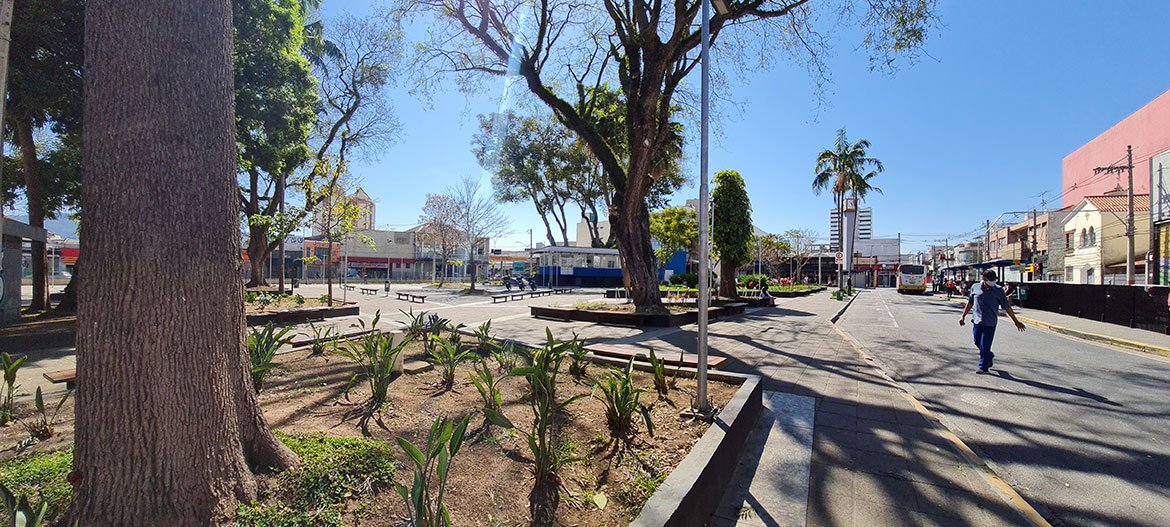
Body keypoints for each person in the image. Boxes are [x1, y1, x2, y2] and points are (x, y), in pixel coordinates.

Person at [960, 270, 1026, 374]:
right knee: (977, 342)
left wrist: (1016, 322)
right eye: (990, 280)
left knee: (985, 345)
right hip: (977, 321)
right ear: (984, 279)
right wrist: (963, 316)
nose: (993, 282)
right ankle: (989, 355)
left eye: (994, 280)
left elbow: (1007, 307)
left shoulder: (999, 291)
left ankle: (983, 366)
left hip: (990, 322)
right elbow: (970, 302)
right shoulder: (975, 287)